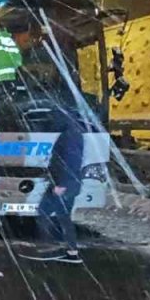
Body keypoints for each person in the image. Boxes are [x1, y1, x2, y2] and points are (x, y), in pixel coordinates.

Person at [37, 107, 85, 263]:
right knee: (60, 216)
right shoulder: (72, 133)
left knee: (49, 212)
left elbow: (71, 161)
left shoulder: (71, 136)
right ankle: (68, 250)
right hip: (64, 183)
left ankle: (57, 247)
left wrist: (62, 184)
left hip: (64, 185)